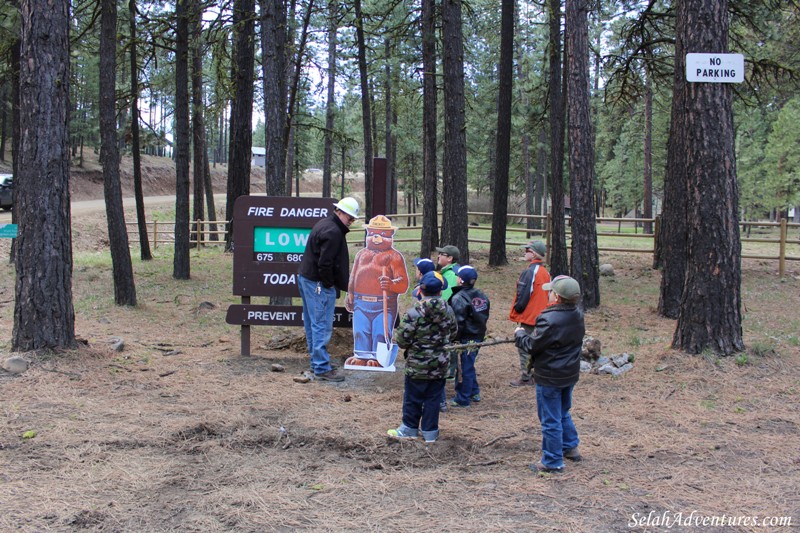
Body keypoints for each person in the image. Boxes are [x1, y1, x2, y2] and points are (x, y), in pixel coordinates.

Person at [514, 275, 585, 473]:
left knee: (550, 418)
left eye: (551, 291)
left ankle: (552, 461)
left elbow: (532, 346)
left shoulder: (549, 318)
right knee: (562, 411)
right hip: (569, 374)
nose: (548, 294)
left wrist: (520, 334)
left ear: (558, 297)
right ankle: (570, 447)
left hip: (550, 376)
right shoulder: (577, 314)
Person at [387, 271, 458, 443]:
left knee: (412, 398)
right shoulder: (449, 311)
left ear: (421, 291)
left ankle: (409, 429)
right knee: (433, 399)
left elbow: (402, 340)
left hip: (417, 366)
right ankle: (430, 432)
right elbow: (454, 332)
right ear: (440, 292)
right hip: (440, 365)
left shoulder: (413, 313)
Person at [297, 197, 360, 382]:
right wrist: (328, 284)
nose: (351, 221)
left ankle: (318, 362)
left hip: (307, 279)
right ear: (339, 212)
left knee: (312, 323)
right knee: (321, 325)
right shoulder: (333, 231)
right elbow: (325, 263)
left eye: (352, 218)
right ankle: (321, 368)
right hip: (317, 283)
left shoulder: (325, 224)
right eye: (349, 217)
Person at [508, 240, 551, 387]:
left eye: (526, 250)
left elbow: (523, 294)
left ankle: (526, 377)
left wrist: (518, 310)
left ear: (533, 254)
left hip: (530, 316)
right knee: (537, 346)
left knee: (524, 346)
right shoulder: (545, 272)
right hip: (542, 316)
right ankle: (535, 374)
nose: (524, 252)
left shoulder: (530, 272)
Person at [448, 265, 490, 408]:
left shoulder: (459, 298)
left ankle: (462, 399)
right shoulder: (481, 295)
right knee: (468, 364)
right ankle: (474, 392)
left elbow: (457, 322)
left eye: (457, 276)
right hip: (478, 335)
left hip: (465, 339)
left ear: (460, 280)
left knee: (464, 367)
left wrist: (454, 339)